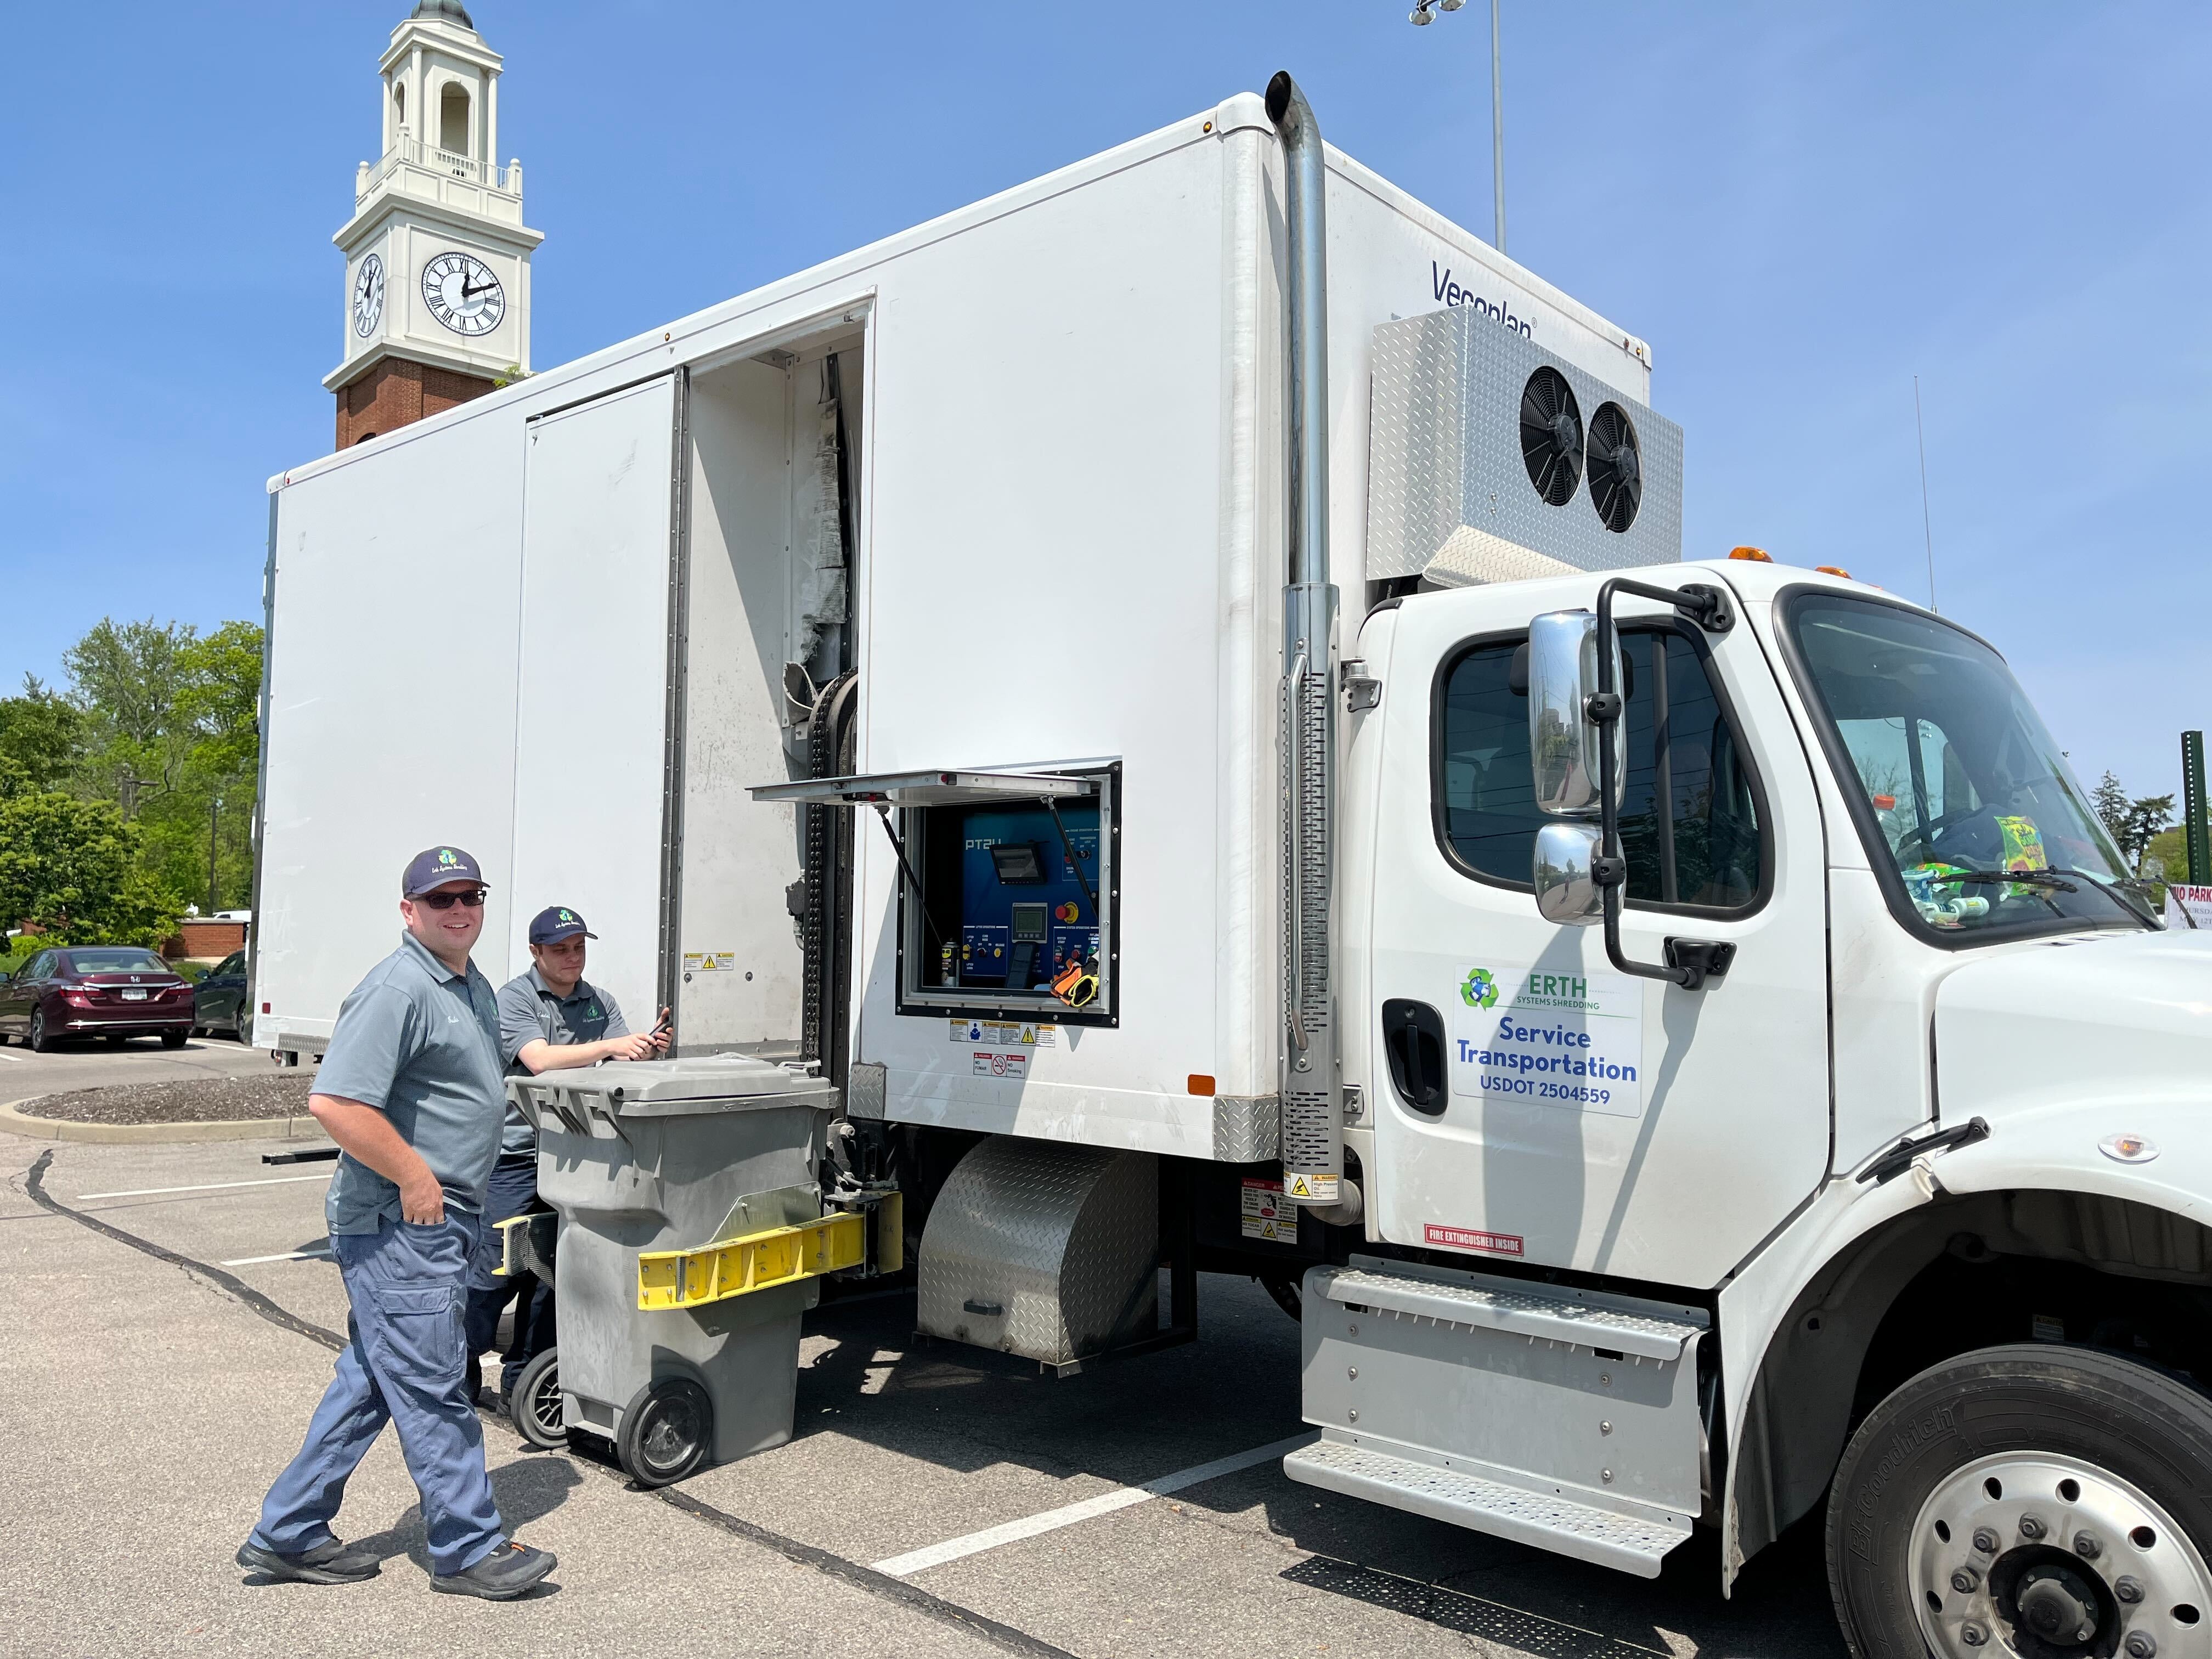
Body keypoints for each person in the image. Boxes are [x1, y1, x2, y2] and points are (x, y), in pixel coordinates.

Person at [237, 846, 555, 1602]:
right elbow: (337, 1103)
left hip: (441, 1222)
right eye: (440, 898)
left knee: (374, 1382)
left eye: (469, 896)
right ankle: (470, 1549)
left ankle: (290, 1533)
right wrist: (415, 1174)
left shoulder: (467, 983)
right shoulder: (398, 988)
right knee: (439, 1383)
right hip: (401, 1224)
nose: (458, 910)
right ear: (409, 910)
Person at [466, 906, 666, 1401]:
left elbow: (618, 1067)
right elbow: (539, 1061)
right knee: (494, 1270)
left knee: (556, 1277)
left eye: (579, 948)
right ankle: (457, 1364)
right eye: (560, 950)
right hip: (518, 1156)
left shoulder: (600, 1002)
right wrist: (613, 1045)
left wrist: (643, 1049)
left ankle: (525, 1381)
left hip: (580, 1157)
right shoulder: (514, 999)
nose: (572, 958)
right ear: (536, 953)